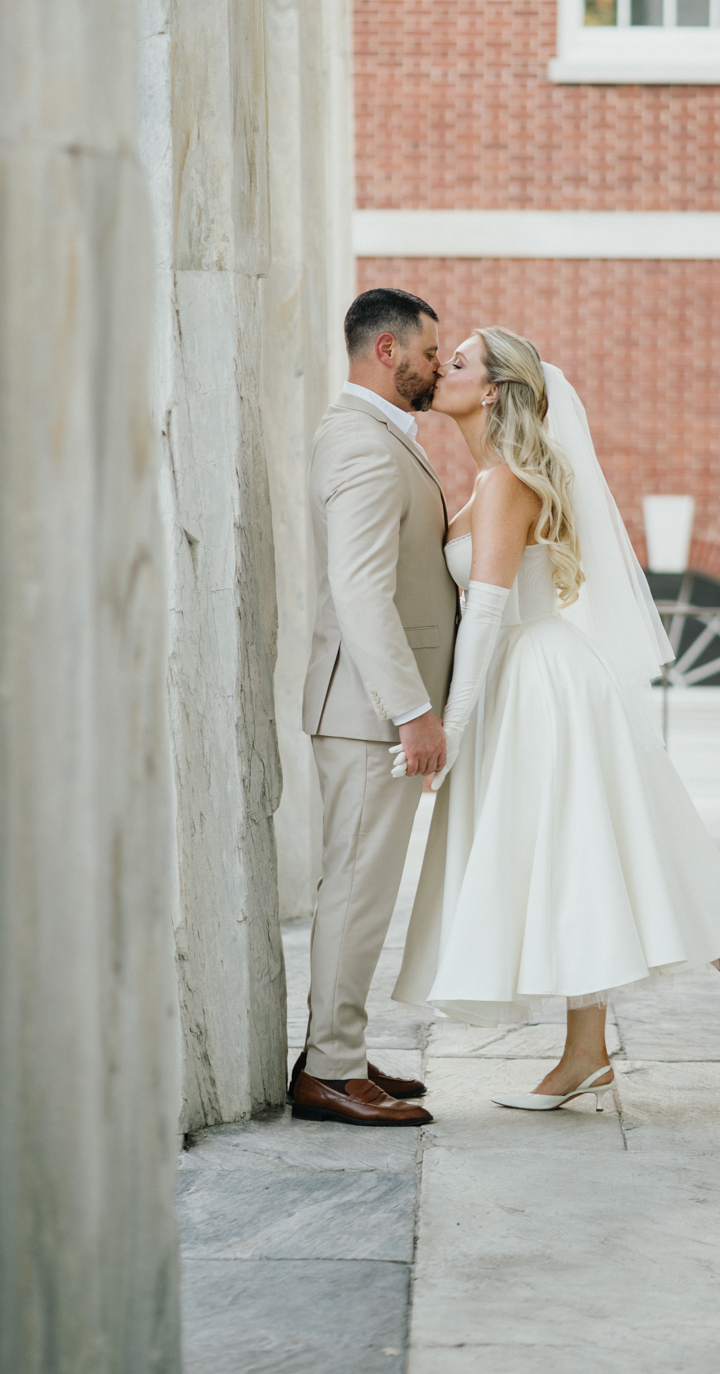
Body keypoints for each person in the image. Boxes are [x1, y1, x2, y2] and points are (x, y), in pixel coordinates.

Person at [393, 327, 720, 1109]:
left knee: (601, 852)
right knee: (579, 858)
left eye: (455, 362)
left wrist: (446, 730)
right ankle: (588, 1053)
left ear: (491, 391)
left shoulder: (509, 481)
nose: (438, 369)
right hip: (526, 679)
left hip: (538, 681)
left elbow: (486, 612)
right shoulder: (492, 479)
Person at [288, 289, 460, 1127]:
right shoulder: (358, 443)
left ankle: (340, 1052)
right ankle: (328, 1071)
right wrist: (412, 711)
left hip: (371, 713)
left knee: (361, 891)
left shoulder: (382, 437)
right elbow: (360, 593)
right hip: (366, 713)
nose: (439, 364)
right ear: (387, 351)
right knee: (356, 891)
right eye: (432, 351)